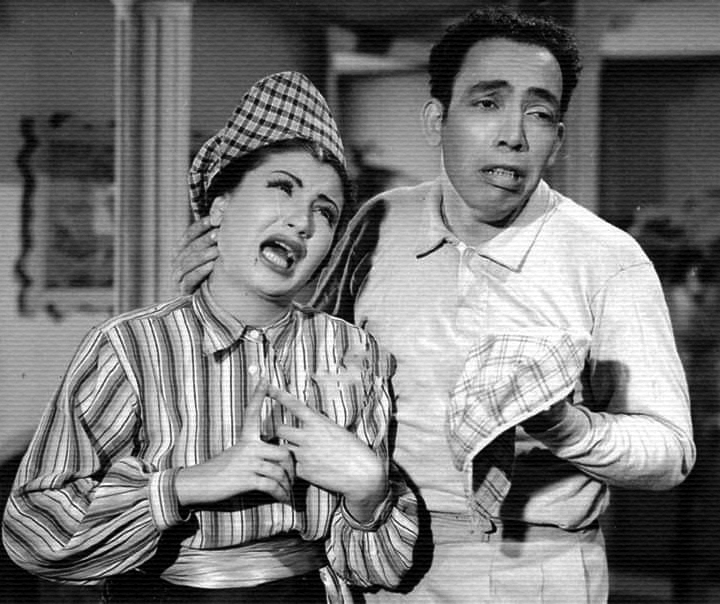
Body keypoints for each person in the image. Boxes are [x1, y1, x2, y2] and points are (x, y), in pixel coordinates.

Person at [173, 8, 695, 604]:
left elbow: (671, 452)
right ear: (436, 121)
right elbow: (299, 365)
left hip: (530, 571)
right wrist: (218, 301)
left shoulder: (607, 258)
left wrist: (568, 428)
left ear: (557, 139)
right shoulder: (380, 220)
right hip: (373, 557)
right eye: (487, 103)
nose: (513, 135)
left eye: (539, 113)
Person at [2, 72, 419, 604]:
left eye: (325, 211)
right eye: (282, 187)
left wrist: (368, 491)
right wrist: (186, 484)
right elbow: (33, 531)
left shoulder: (351, 352)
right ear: (220, 206)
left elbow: (380, 570)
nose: (302, 221)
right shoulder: (130, 347)